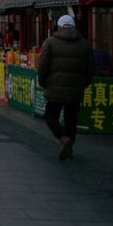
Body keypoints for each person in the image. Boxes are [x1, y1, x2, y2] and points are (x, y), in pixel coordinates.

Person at [37, 14, 94, 161]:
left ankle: (63, 139)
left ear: (59, 26)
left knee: (51, 116)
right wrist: (83, 84)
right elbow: (90, 69)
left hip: (55, 88)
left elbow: (43, 67)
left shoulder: (50, 42)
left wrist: (43, 82)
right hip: (76, 89)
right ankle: (69, 148)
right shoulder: (85, 44)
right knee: (71, 120)